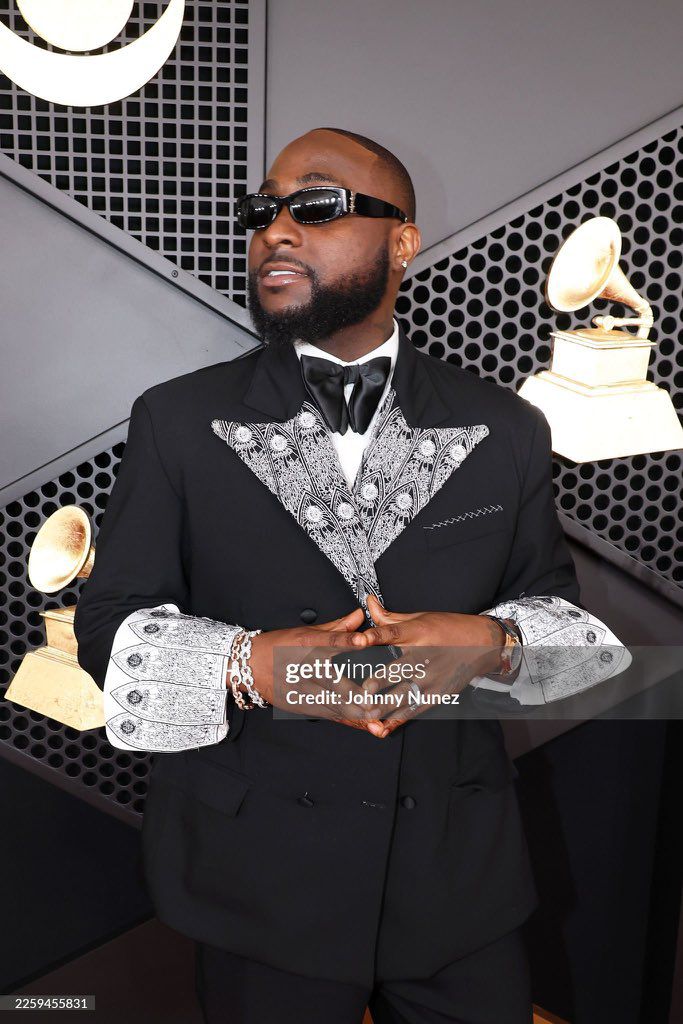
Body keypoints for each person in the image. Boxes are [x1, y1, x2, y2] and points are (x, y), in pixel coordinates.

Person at [74, 127, 628, 1023]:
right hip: (258, 874)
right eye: (263, 211)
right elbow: (109, 625)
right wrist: (253, 663)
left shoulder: (506, 426)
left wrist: (492, 641)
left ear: (401, 240)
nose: (276, 230)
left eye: (317, 205)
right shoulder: (177, 419)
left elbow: (564, 630)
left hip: (457, 876)